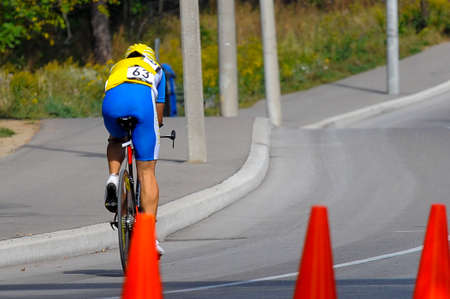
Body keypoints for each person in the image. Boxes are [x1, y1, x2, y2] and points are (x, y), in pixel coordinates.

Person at [101, 43, 166, 255]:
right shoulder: (156, 68)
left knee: (115, 139)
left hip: (112, 105)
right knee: (146, 172)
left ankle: (113, 178)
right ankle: (149, 238)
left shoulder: (117, 66)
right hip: (141, 103)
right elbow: (158, 115)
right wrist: (154, 128)